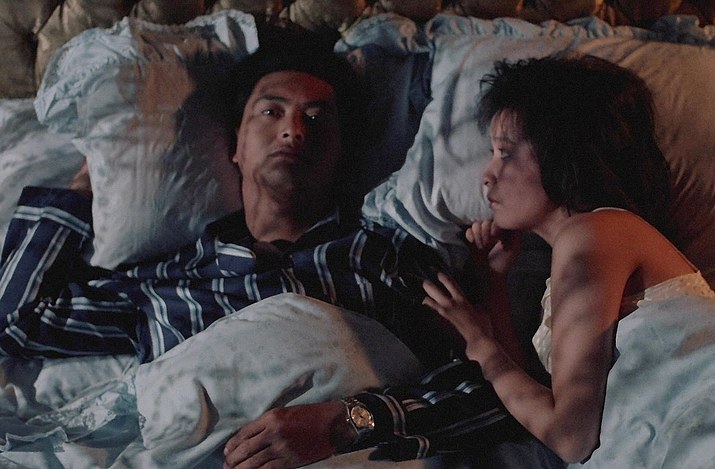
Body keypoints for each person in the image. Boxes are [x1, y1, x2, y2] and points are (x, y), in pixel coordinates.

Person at [0, 25, 547, 469]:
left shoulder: (386, 259)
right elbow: (20, 321)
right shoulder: (164, 283)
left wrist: (345, 423)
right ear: (234, 145)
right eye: (271, 111)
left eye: (317, 118)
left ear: (341, 152)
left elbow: (491, 399)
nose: (294, 131)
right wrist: (98, 170)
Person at [422, 54, 715, 464]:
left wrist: (477, 341)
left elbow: (568, 436)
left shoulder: (595, 234)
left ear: (560, 153)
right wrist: (494, 282)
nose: (486, 175)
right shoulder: (586, 241)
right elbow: (539, 402)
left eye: (505, 153)